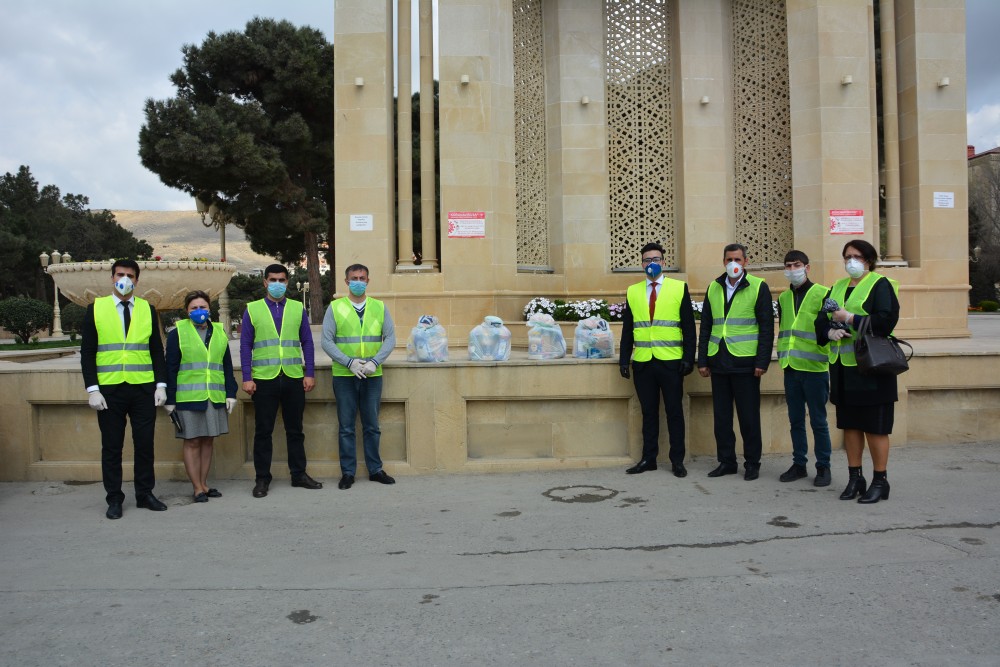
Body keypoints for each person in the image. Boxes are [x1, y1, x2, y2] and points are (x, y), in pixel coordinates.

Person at [81, 259, 168, 519]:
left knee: (144, 444)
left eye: (130, 275)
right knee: (111, 447)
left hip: (143, 389)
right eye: (121, 274)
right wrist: (92, 389)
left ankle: (144, 494)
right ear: (112, 277)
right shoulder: (95, 308)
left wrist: (161, 385)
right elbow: (88, 352)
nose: (125, 279)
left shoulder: (147, 309)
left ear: (137, 280)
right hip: (109, 391)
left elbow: (155, 350)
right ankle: (114, 499)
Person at [816, 240, 900, 504]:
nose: (851, 261)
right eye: (847, 256)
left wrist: (850, 319)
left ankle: (880, 480)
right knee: (850, 426)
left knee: (875, 428)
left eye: (857, 256)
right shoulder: (837, 286)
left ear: (869, 259)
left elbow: (886, 321)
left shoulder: (880, 285)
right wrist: (829, 331)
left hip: (873, 369)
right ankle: (855, 478)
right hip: (843, 369)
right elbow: (821, 319)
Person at [240, 264, 322, 498]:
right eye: (273, 280)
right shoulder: (253, 309)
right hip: (264, 379)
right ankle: (262, 479)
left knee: (295, 430)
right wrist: (247, 377)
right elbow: (246, 345)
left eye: (282, 280)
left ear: (287, 282)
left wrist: (310, 373)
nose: (278, 284)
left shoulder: (297, 308)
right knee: (263, 431)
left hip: (293, 377)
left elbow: (307, 342)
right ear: (265, 282)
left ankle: (299, 475)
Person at [618, 242, 697, 477]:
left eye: (656, 259)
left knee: (674, 412)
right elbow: (627, 329)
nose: (651, 264)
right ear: (641, 264)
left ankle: (677, 460)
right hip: (643, 362)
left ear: (663, 262)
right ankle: (648, 458)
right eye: (646, 260)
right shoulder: (633, 291)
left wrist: (688, 358)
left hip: (671, 361)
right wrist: (624, 359)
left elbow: (689, 327)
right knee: (648, 413)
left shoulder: (679, 288)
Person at [697, 243, 774, 480]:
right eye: (729, 259)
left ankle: (752, 463)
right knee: (721, 418)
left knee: (748, 417)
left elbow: (766, 327)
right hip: (718, 360)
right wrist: (703, 360)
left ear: (745, 262)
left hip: (746, 362)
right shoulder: (714, 287)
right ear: (723, 262)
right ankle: (726, 461)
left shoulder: (758, 287)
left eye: (738, 260)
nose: (734, 264)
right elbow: (707, 325)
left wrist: (762, 361)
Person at [321, 263, 397, 490]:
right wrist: (349, 362)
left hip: (372, 374)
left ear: (368, 280)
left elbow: (391, 337)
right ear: (346, 282)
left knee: (372, 425)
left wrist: (375, 362)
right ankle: (348, 472)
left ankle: (375, 470)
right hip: (344, 374)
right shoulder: (335, 307)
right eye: (353, 278)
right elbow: (326, 340)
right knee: (346, 426)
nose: (358, 281)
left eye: (362, 277)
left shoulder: (379, 307)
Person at [165, 291, 238, 503]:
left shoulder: (219, 332)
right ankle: (196, 487)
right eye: (194, 308)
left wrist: (231, 393)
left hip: (213, 396)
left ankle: (204, 484)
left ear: (209, 308)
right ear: (187, 311)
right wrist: (170, 400)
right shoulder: (177, 333)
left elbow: (225, 366)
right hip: (188, 397)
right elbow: (170, 368)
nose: (199, 311)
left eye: (203, 307)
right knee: (192, 441)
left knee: (208, 440)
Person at [776, 250, 833, 487]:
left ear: (807, 267)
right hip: (791, 367)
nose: (792, 269)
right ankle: (799, 464)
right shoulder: (783, 298)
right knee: (796, 420)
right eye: (788, 266)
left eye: (797, 265)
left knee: (818, 421)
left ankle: (823, 467)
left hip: (815, 369)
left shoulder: (823, 294)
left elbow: (830, 327)